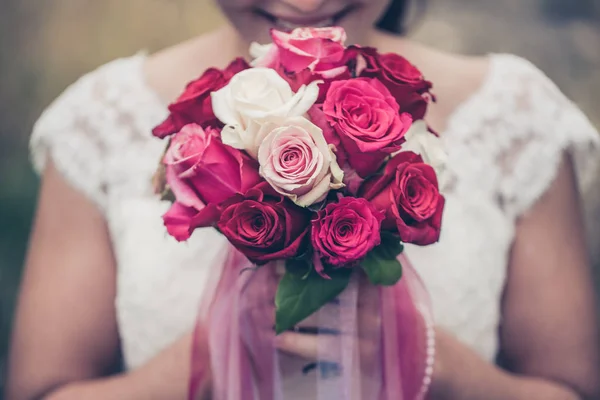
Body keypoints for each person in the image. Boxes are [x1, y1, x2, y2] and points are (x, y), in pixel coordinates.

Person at [5, 0, 600, 399]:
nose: (305, 0)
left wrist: (434, 363)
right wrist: (204, 360)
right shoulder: (99, 117)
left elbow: (572, 389)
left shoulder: (518, 114)